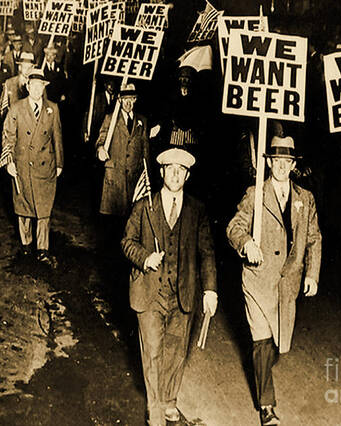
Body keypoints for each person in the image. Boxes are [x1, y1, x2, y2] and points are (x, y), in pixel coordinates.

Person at [226, 135, 322, 426]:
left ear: (293, 165)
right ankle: (266, 406)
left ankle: (263, 374)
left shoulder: (305, 199)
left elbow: (315, 239)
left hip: (287, 284)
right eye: (276, 161)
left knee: (278, 345)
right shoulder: (255, 193)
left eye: (287, 162)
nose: (281, 166)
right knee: (262, 342)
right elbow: (234, 226)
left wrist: (312, 274)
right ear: (268, 163)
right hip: (257, 279)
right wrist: (246, 244)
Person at [121, 148, 217, 426]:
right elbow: (127, 242)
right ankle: (154, 409)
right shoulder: (144, 206)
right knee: (152, 352)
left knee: (175, 352)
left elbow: (207, 252)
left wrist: (210, 290)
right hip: (149, 294)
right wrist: (145, 258)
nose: (175, 174)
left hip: (183, 294)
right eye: (170, 169)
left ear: (187, 175)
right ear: (161, 172)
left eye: (181, 170)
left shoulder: (196, 210)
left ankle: (169, 400)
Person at [0, 69, 63, 264]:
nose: (37, 89)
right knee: (24, 208)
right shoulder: (16, 108)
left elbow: (57, 138)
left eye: (40, 86)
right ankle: (26, 243)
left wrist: (60, 163)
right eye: (33, 85)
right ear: (27, 87)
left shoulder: (52, 108)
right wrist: (8, 162)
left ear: (44, 88)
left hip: (45, 166)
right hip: (22, 166)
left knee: (44, 209)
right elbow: (8, 137)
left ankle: (43, 248)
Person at [96, 83, 149, 221]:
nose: (128, 103)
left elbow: (145, 148)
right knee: (113, 221)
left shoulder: (142, 121)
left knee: (132, 219)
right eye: (125, 99)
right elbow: (101, 139)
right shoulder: (110, 118)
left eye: (131, 99)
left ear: (135, 100)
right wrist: (100, 149)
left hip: (134, 177)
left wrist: (146, 173)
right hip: (115, 176)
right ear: (119, 99)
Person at [0, 51, 34, 118]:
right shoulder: (10, 83)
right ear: (20, 68)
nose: (27, 70)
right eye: (25, 67)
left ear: (33, 68)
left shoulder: (36, 84)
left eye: (30, 68)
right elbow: (2, 107)